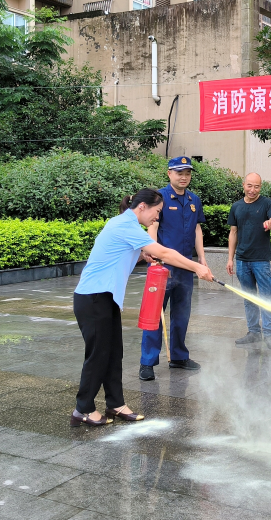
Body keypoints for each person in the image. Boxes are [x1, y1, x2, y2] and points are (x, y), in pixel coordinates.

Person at [71, 189, 214, 427]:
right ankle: (83, 409)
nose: (157, 218)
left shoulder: (124, 225)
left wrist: (141, 256)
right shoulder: (124, 226)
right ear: (142, 207)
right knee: (98, 355)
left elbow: (122, 253)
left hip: (106, 298)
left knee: (114, 353)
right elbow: (165, 252)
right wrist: (197, 267)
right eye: (157, 212)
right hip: (93, 298)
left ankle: (115, 404)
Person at [139, 156, 208, 381]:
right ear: (169, 173)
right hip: (163, 266)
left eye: (187, 173)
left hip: (186, 266)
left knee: (182, 314)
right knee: (154, 315)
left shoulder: (193, 199)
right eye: (179, 173)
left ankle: (178, 356)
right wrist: (151, 252)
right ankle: (147, 362)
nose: (184, 177)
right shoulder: (159, 197)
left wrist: (202, 260)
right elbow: (153, 225)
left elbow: (197, 230)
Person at [228, 173, 271, 350]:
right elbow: (233, 233)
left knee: (266, 298)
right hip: (242, 260)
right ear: (244, 185)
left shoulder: (267, 203)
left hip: (261, 261)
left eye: (256, 186)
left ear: (261, 186)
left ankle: (269, 334)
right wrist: (230, 258)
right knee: (248, 298)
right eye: (250, 186)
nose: (252, 190)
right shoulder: (236, 207)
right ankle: (253, 332)